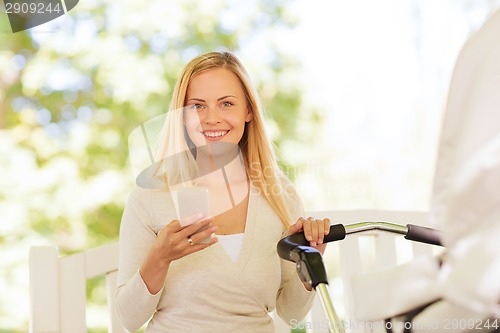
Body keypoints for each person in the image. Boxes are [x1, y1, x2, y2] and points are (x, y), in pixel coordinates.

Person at [115, 51, 330, 332]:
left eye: (226, 103)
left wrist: (309, 261)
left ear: (248, 111)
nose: (212, 118)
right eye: (197, 106)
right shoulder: (153, 193)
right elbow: (128, 320)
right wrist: (160, 256)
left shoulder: (279, 195)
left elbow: (290, 312)